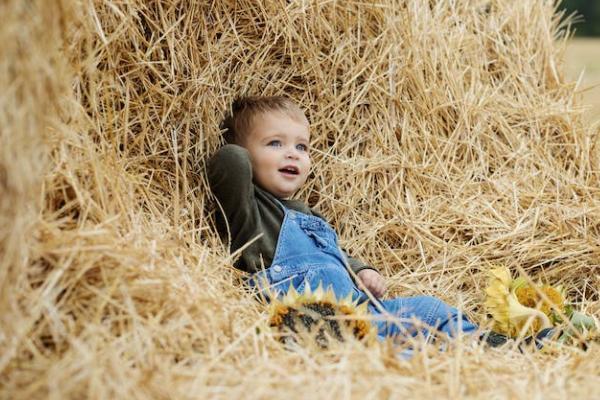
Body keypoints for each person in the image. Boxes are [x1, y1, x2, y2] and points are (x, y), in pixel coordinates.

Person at [206, 95, 554, 348]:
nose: (292, 154)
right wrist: (240, 147)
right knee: (392, 350)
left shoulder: (309, 216)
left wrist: (362, 270)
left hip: (359, 313)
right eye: (275, 143)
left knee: (428, 309)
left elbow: (337, 257)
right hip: (310, 322)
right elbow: (229, 162)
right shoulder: (251, 213)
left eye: (302, 147)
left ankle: (489, 345)